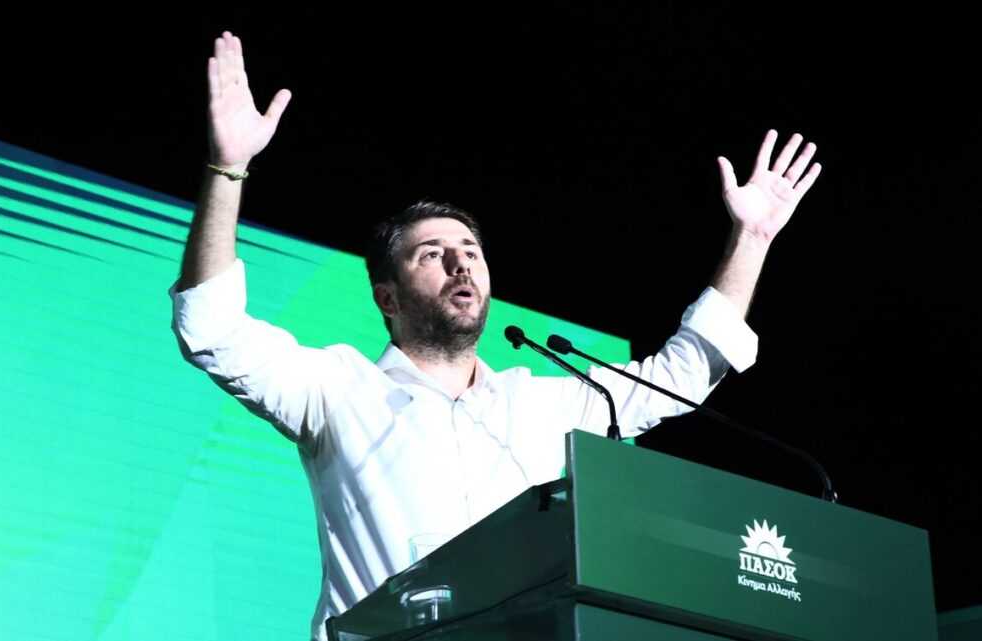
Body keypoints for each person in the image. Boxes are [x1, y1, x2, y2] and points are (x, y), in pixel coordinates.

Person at [170, 31, 822, 641]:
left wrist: (752, 238)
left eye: (471, 252)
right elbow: (211, 328)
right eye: (432, 254)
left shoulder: (548, 403)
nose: (461, 265)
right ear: (387, 297)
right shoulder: (337, 389)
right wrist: (228, 168)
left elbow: (680, 376)